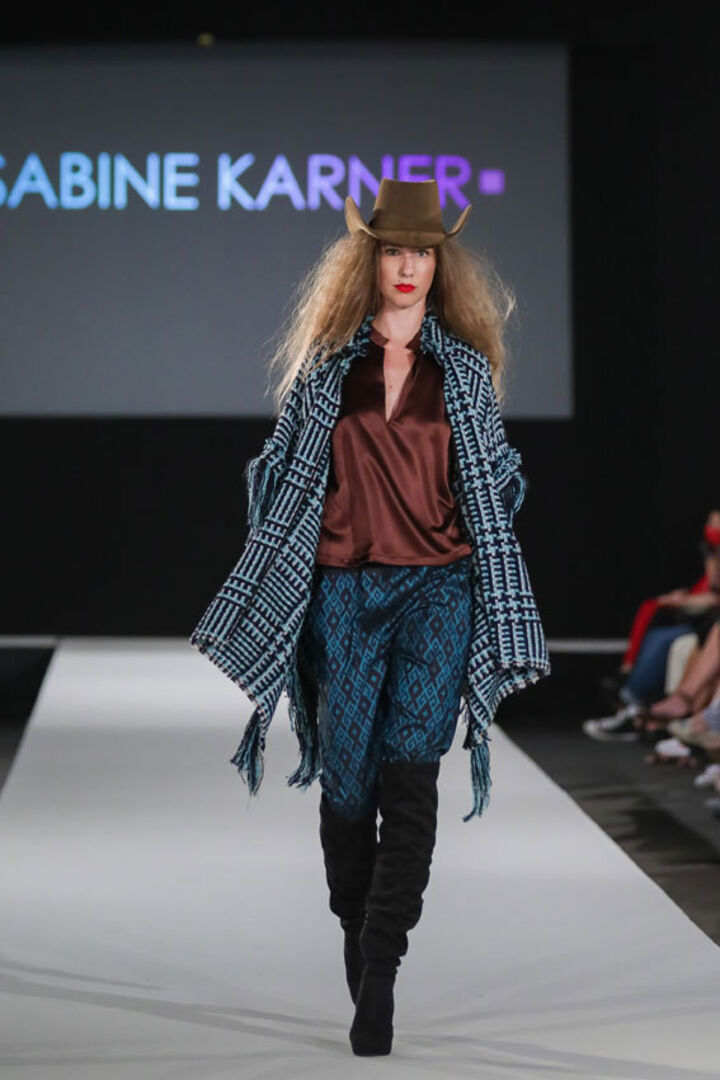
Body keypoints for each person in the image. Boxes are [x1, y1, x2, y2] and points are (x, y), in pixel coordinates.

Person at [189, 178, 551, 1056]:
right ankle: (356, 924)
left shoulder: (465, 373)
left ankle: (381, 968)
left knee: (411, 778)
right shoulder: (325, 372)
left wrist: (489, 515)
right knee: (347, 788)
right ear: (370, 261)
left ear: (440, 264)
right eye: (393, 251)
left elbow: (496, 477)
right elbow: (278, 473)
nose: (408, 267)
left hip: (438, 593)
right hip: (344, 595)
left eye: (422, 252)